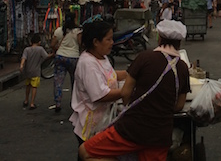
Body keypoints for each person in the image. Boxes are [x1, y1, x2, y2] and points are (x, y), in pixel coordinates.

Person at [79, 20, 190, 161]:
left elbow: (126, 93)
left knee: (86, 151)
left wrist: (134, 106)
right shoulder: (182, 67)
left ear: (159, 38)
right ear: (179, 43)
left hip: (132, 129)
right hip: (160, 135)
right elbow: (179, 105)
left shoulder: (144, 58)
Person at [70, 20, 127, 145]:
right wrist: (125, 91)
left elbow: (107, 75)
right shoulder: (88, 64)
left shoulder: (101, 56)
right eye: (109, 39)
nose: (112, 43)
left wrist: (130, 74)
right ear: (96, 42)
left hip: (103, 121)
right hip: (91, 125)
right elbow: (100, 95)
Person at [51, 12, 82, 113]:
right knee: (75, 81)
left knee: (58, 81)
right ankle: (74, 103)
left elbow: (52, 44)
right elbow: (80, 44)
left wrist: (56, 50)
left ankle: (58, 103)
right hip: (74, 58)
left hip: (60, 56)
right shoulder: (77, 31)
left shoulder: (59, 31)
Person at [20, 33, 53, 110]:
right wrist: (53, 54)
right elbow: (46, 56)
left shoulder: (26, 49)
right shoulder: (40, 49)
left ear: (31, 42)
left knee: (28, 86)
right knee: (34, 87)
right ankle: (32, 103)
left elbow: (23, 58)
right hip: (36, 71)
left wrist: (21, 65)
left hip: (27, 71)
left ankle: (26, 100)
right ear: (39, 42)